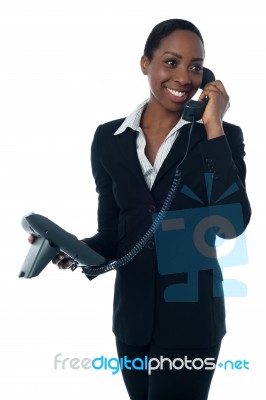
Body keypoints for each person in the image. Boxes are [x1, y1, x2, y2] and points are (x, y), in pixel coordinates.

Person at [29, 19, 251, 399]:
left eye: (196, 67)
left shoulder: (221, 137)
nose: (184, 77)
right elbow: (115, 235)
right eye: (171, 62)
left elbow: (231, 223)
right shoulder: (109, 139)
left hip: (191, 325)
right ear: (145, 63)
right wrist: (73, 249)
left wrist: (213, 125)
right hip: (131, 323)